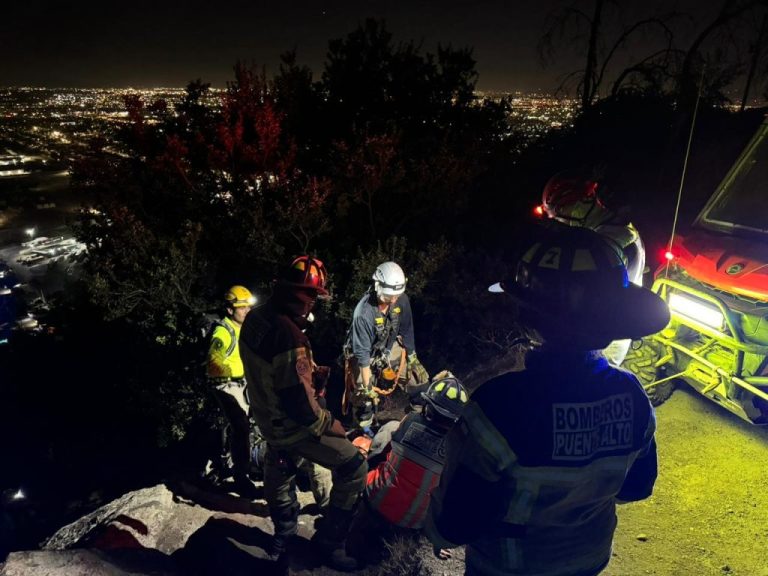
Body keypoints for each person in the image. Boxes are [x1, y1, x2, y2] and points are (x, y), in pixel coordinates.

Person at [425, 223, 670, 576]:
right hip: (588, 562)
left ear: (529, 316)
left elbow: (453, 526)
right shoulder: (631, 395)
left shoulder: (499, 405)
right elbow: (637, 487)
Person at [239, 255, 367, 572]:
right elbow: (303, 409)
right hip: (292, 426)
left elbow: (271, 372)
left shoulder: (256, 319)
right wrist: (337, 427)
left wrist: (310, 371)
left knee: (279, 476)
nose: (311, 303)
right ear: (296, 294)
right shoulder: (290, 336)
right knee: (354, 466)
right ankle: (331, 544)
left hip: (268, 422)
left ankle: (284, 535)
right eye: (310, 295)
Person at [348, 371, 468, 566]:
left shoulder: (409, 421)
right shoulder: (459, 450)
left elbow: (380, 452)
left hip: (376, 502)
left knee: (385, 437)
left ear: (428, 405)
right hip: (414, 522)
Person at [541, 171, 646, 365]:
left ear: (583, 204)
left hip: (605, 337)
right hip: (609, 327)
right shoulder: (614, 228)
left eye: (565, 214)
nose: (564, 223)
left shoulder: (610, 240)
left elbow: (588, 291)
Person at [342, 261, 430, 429]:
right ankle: (364, 428)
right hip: (364, 357)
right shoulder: (363, 314)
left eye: (396, 296)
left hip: (388, 348)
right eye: (389, 297)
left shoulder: (401, 300)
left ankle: (418, 413)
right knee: (364, 397)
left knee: (419, 379)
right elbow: (363, 356)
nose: (393, 300)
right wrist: (368, 388)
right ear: (378, 286)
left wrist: (412, 358)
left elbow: (407, 330)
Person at [206, 285, 257, 496]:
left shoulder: (242, 328)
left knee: (251, 425)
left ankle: (239, 463)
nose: (246, 311)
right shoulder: (223, 331)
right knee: (241, 427)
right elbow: (213, 363)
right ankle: (240, 477)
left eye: (248, 307)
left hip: (242, 384)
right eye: (241, 307)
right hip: (226, 385)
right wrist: (244, 368)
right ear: (229, 310)